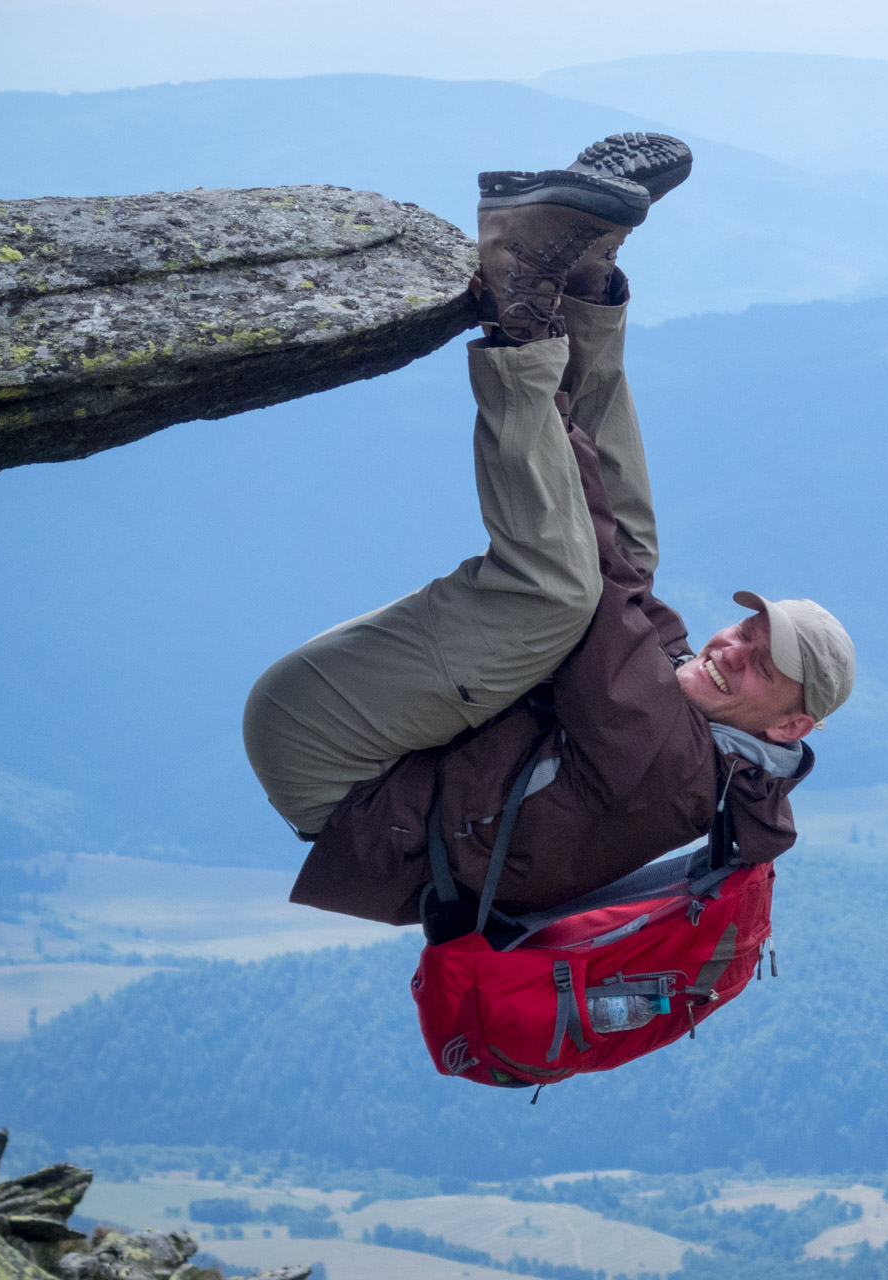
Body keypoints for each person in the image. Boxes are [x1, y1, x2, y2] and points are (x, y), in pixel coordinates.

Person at [241, 133, 855, 926]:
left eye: (763, 662)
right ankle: (581, 281)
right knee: (630, 558)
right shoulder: (722, 751)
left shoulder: (667, 763)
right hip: (389, 752)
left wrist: (543, 389)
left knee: (557, 596)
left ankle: (523, 301)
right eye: (745, 629)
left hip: (333, 761)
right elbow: (624, 573)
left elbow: (597, 598)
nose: (731, 648)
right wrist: (578, 349)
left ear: (791, 724)